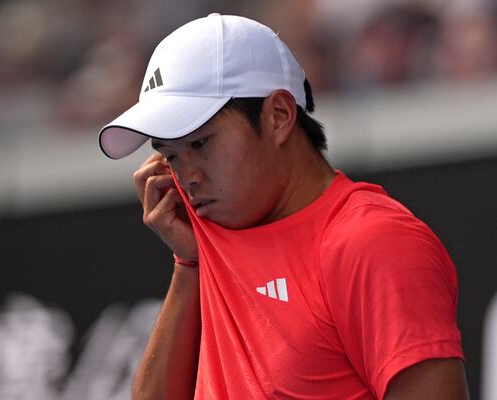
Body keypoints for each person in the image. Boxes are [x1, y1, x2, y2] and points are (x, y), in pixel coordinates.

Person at [99, 13, 468, 400]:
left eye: (200, 144)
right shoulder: (204, 237)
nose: (186, 176)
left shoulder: (375, 242)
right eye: (171, 155)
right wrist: (188, 263)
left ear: (278, 116)